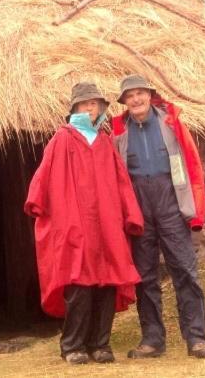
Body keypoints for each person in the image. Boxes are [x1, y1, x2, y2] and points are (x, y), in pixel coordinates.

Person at [24, 81, 144, 365]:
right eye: (84, 103)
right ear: (75, 109)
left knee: (107, 283)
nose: (90, 108)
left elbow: (121, 182)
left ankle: (100, 344)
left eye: (94, 103)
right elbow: (44, 176)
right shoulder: (63, 139)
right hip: (76, 223)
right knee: (79, 285)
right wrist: (37, 202)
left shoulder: (104, 142)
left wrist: (131, 214)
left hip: (106, 224)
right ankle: (73, 346)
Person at [111, 74, 205, 359]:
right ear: (124, 102)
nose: (136, 99)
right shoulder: (118, 131)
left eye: (140, 93)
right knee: (144, 276)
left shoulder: (171, 123)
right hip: (138, 206)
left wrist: (194, 208)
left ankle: (196, 338)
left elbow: (192, 163)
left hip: (170, 201)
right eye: (130, 96)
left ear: (150, 95)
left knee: (185, 271)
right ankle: (153, 340)